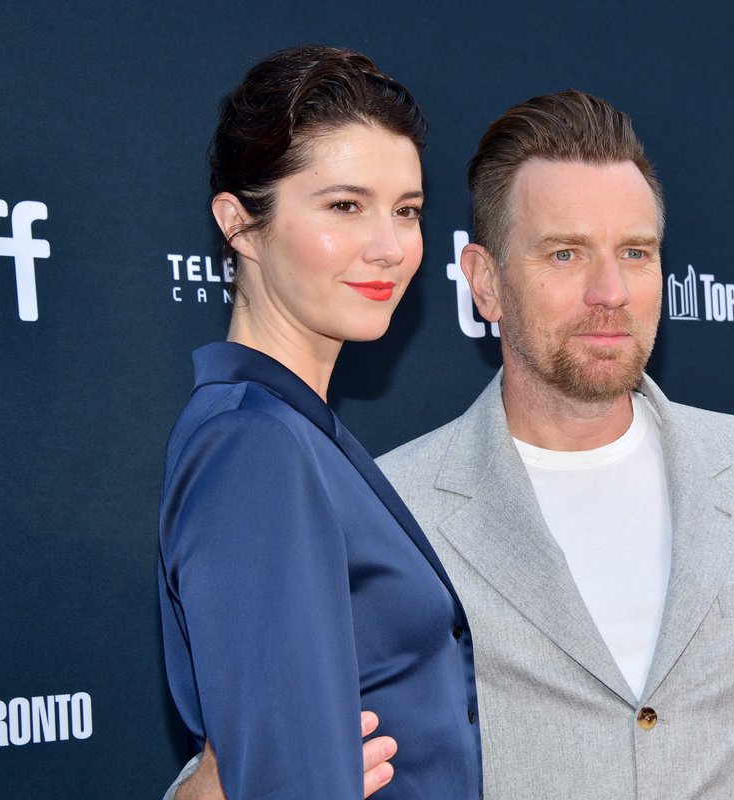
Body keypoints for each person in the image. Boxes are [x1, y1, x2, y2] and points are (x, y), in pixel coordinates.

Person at [169, 89, 734, 799]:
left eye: (636, 253)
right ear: (485, 284)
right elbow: (252, 752)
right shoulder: (393, 508)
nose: (609, 290)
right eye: (565, 255)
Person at [157, 45, 482, 800]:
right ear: (239, 225)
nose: (390, 247)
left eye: (406, 210)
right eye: (345, 206)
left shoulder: (295, 432)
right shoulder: (254, 447)